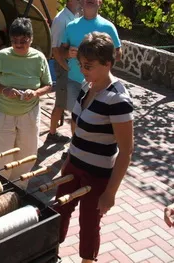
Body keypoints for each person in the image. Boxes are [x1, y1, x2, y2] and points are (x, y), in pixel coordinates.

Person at [54, 32, 134, 262]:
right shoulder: (85, 85)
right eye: (80, 65)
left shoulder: (118, 100)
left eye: (88, 66)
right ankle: (50, 252)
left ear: (107, 63)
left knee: (88, 225)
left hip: (97, 176)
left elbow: (126, 151)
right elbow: (76, 129)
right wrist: (69, 160)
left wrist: (110, 193)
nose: (83, 71)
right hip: (74, 166)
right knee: (59, 212)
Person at [0, 18, 52, 189]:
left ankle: (18, 189)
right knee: (2, 154)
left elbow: (49, 85)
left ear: (31, 39)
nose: (19, 44)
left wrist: (35, 93)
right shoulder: (2, 56)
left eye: (24, 41)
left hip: (29, 114)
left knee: (27, 152)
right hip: (4, 112)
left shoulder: (39, 58)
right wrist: (3, 90)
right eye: (15, 41)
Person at [57, 0, 122, 122]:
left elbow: (118, 54)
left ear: (100, 2)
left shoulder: (108, 27)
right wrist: (68, 53)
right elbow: (61, 51)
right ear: (81, 1)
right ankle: (77, 140)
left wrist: (100, 57)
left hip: (100, 84)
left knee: (96, 120)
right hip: (74, 81)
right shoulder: (71, 26)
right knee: (76, 118)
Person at [48, 0, 80, 142]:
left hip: (72, 69)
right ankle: (52, 134)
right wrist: (66, 68)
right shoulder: (61, 20)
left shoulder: (76, 16)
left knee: (67, 103)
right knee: (60, 103)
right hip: (64, 68)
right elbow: (55, 49)